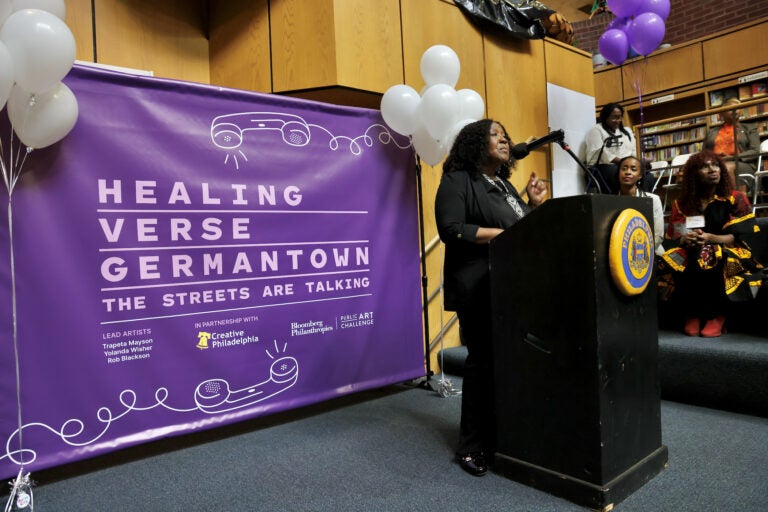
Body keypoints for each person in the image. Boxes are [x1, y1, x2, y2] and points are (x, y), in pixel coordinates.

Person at [434, 119, 547, 477]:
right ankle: (471, 445)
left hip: (510, 285)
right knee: (483, 364)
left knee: (509, 362)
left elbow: (523, 231)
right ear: (474, 144)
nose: (504, 140)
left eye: (505, 135)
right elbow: (451, 229)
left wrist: (533, 205)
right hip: (478, 286)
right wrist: (499, 233)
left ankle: (503, 434)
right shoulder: (458, 180)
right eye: (495, 134)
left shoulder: (505, 186)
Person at [659, 150, 763, 338]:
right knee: (673, 257)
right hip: (693, 248)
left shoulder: (735, 197)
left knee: (708, 254)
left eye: (715, 165)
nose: (712, 170)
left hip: (730, 249)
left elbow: (735, 237)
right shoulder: (682, 204)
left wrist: (709, 238)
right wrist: (686, 239)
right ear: (694, 174)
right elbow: (678, 235)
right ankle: (693, 313)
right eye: (704, 167)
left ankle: (717, 315)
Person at [704, 97, 760, 189]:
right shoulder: (711, 132)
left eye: (738, 108)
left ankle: (733, 201)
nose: (736, 111)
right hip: (715, 163)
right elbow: (704, 153)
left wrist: (732, 157)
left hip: (741, 163)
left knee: (724, 168)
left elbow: (755, 151)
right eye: (731, 109)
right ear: (721, 113)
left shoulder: (750, 128)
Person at [585, 102, 637, 194]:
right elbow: (599, 151)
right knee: (616, 172)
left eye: (620, 117)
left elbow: (632, 150)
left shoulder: (626, 131)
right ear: (606, 117)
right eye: (614, 117)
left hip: (623, 164)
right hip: (602, 166)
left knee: (646, 175)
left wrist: (636, 163)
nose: (618, 120)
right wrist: (621, 162)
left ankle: (641, 199)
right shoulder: (596, 130)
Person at [616, 156, 665, 255]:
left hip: (650, 251)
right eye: (624, 169)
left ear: (640, 175)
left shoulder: (653, 200)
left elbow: (658, 235)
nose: (628, 172)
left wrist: (640, 252)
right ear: (618, 173)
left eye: (633, 169)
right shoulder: (610, 201)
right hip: (620, 254)